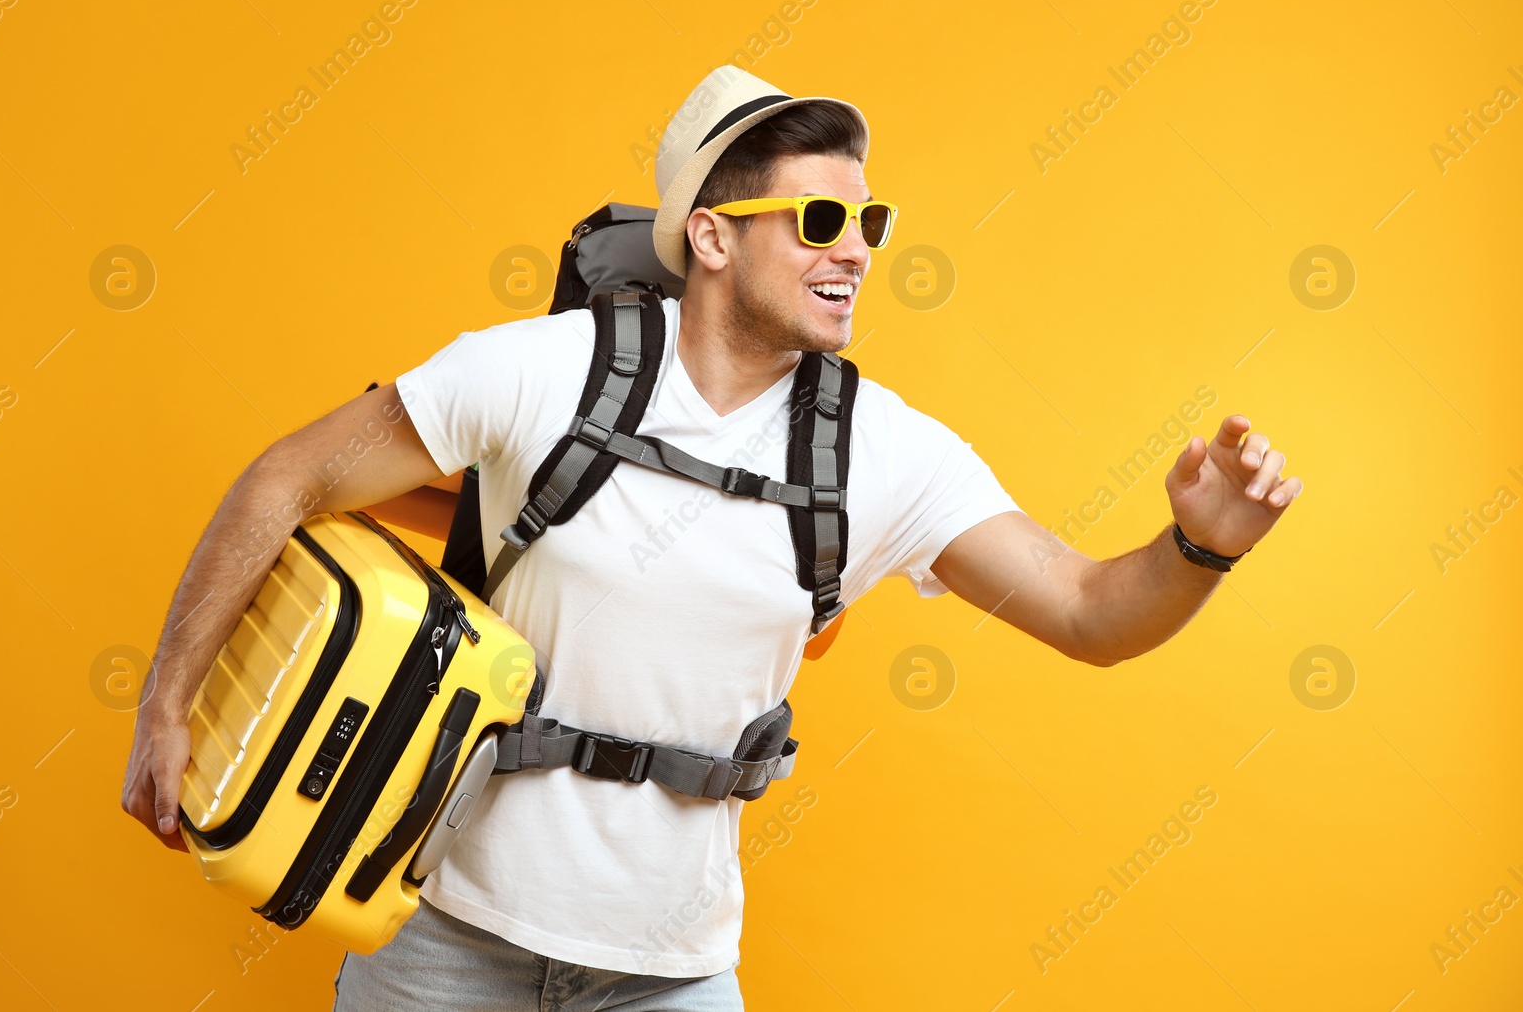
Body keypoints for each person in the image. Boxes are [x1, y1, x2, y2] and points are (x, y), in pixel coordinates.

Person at [120, 65, 1302, 1010]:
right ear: (713, 235)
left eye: (869, 220)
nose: (857, 248)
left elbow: (1094, 614)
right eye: (822, 218)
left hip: (673, 968)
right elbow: (286, 477)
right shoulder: (538, 372)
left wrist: (1196, 547)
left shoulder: (887, 451)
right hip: (441, 942)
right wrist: (165, 706)